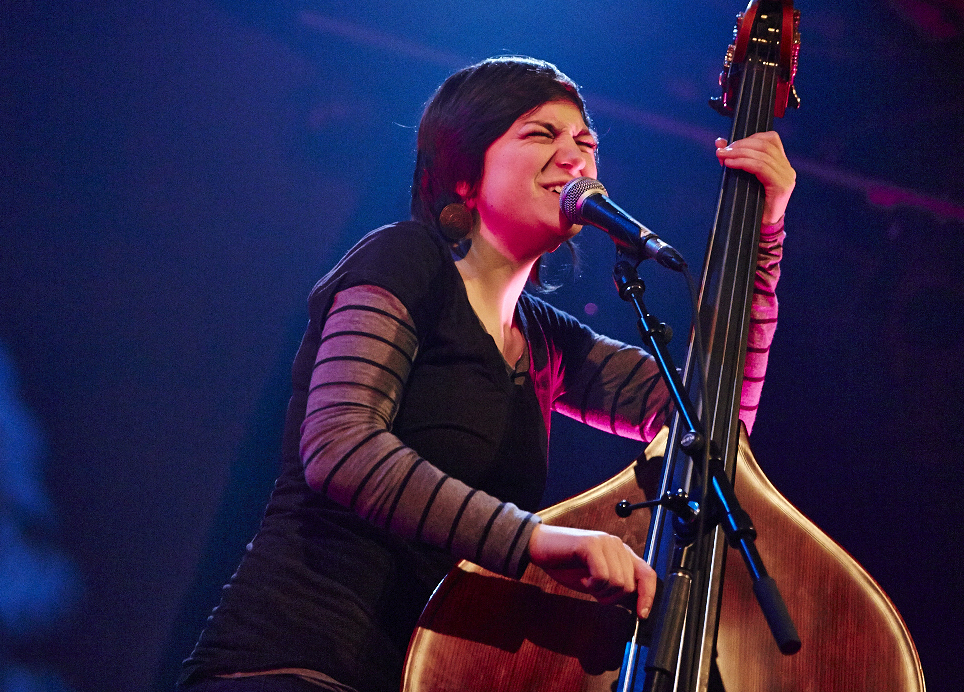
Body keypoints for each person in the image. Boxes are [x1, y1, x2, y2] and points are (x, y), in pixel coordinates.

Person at [180, 56, 795, 692]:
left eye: (585, 142)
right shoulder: (405, 260)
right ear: (466, 174)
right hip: (296, 664)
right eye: (540, 134)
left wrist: (764, 229)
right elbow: (341, 447)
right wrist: (534, 541)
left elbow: (712, 421)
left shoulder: (548, 342)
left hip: (428, 676)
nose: (574, 157)